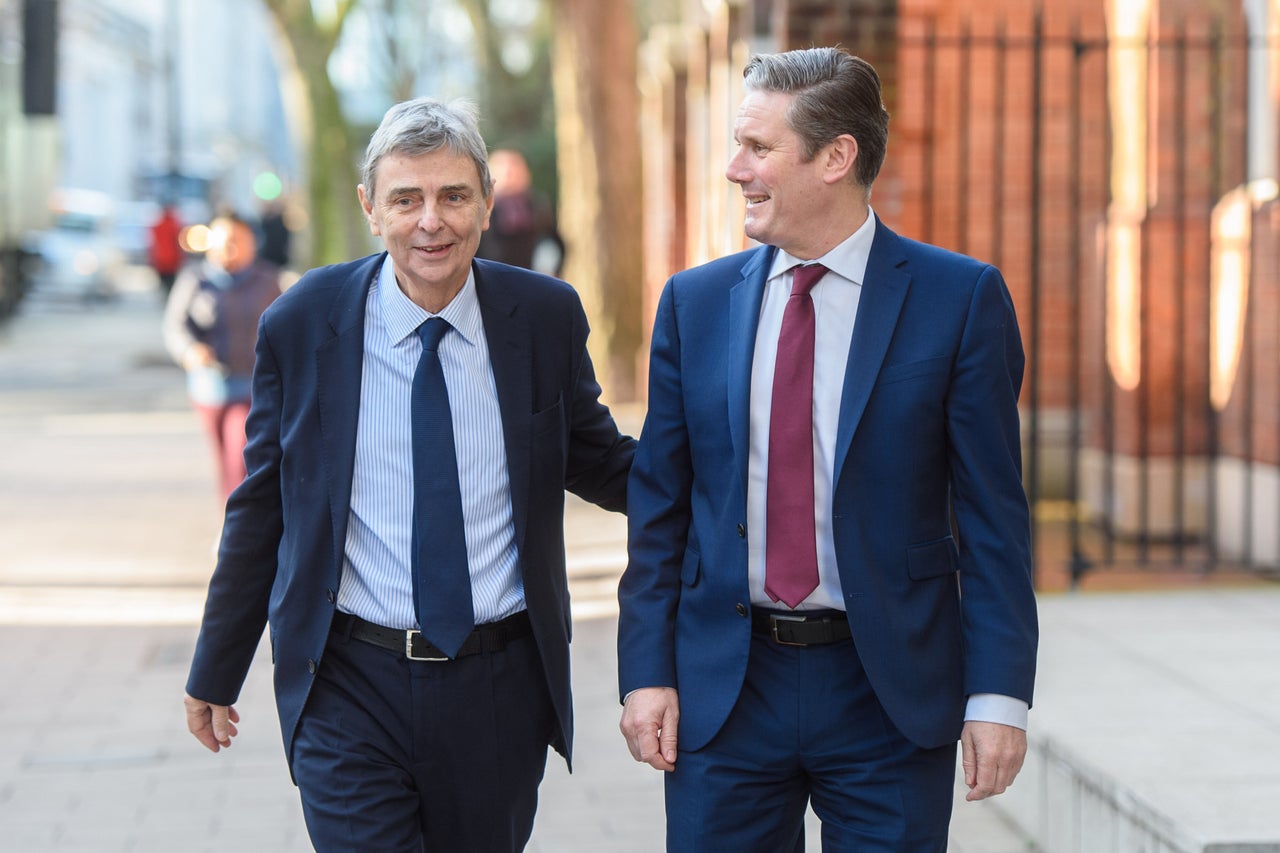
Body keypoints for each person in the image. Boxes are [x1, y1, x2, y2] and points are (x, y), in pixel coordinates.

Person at [182, 97, 634, 852]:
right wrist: (214, 666)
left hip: (497, 684)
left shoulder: (543, 317)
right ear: (371, 208)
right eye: (407, 199)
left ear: (487, 202)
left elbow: (600, 460)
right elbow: (262, 505)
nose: (433, 221)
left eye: (454, 195)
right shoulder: (305, 324)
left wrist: (737, 474)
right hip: (348, 680)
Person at [617, 47, 1038, 851]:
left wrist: (997, 696)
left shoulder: (959, 300)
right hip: (726, 689)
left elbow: (994, 519)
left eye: (759, 147)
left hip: (889, 691)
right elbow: (660, 511)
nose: (735, 168)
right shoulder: (693, 305)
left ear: (836, 157)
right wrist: (646, 671)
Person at [163, 212, 282, 501]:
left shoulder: (267, 281)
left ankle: (237, 530)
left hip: (254, 388)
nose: (229, 249)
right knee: (224, 462)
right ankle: (230, 523)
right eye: (223, 242)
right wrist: (190, 351)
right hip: (210, 388)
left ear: (251, 243)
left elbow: (285, 326)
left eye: (237, 241)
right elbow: (175, 326)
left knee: (240, 453)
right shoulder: (196, 280)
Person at [476, 148, 564, 276]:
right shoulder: (482, 209)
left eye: (515, 170)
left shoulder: (538, 205)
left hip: (533, 278)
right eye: (505, 171)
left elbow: (553, 241)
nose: (510, 176)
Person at [148, 203, 184, 295]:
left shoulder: (157, 226)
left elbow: (153, 243)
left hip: (161, 259)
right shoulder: (174, 225)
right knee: (171, 282)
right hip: (172, 259)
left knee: (165, 282)